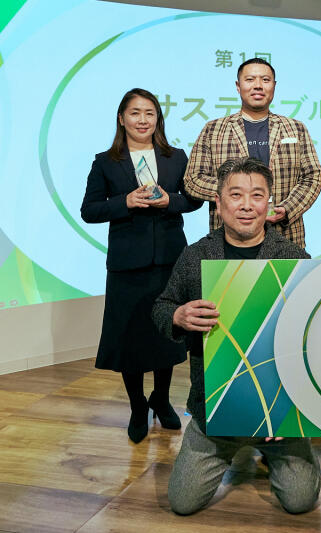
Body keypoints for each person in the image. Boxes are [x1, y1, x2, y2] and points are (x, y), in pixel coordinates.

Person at [153, 157, 320, 515]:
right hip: (214, 411)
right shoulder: (196, 256)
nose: (246, 205)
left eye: (257, 195)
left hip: (278, 414)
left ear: (268, 203)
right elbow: (162, 306)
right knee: (182, 503)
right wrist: (178, 316)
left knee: (301, 501)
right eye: (236, 195)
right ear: (218, 202)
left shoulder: (293, 258)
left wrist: (293, 412)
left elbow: (311, 340)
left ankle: (275, 450)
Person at [80, 88, 201, 444]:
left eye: (150, 113)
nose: (143, 120)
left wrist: (169, 201)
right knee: (130, 337)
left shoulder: (176, 157)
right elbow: (89, 211)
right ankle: (137, 406)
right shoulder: (106, 161)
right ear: (122, 119)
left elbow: (193, 199)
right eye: (135, 113)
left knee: (166, 335)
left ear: (158, 118)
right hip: (127, 264)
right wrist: (125, 201)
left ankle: (160, 399)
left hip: (169, 259)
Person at [183, 57, 321, 248]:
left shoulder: (295, 128)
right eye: (250, 80)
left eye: (265, 80)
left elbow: (313, 177)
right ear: (238, 86)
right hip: (228, 236)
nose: (258, 85)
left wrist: (287, 209)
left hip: (285, 236)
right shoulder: (213, 129)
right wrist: (235, 192)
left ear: (274, 86)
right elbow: (193, 179)